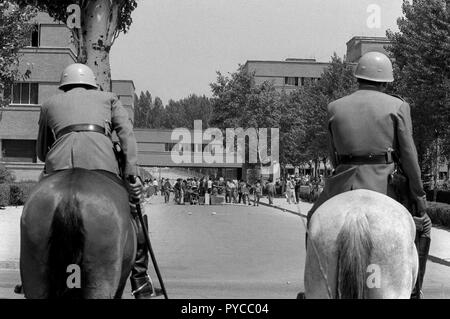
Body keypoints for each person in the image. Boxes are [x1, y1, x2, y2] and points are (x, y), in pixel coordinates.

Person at [306, 52, 431, 299]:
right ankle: (415, 290)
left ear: (357, 78)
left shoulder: (335, 107)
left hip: (343, 183)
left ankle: (315, 286)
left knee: (314, 221)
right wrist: (419, 196)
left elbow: (333, 157)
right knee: (423, 228)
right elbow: (408, 156)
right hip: (385, 184)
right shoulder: (398, 106)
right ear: (386, 82)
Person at [35, 63, 154, 298]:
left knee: (36, 210)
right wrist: (131, 174)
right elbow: (127, 135)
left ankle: (30, 274)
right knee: (134, 210)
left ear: (63, 84)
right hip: (102, 165)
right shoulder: (109, 98)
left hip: (59, 167)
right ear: (92, 83)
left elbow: (40, 150)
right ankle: (140, 277)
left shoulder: (49, 104)